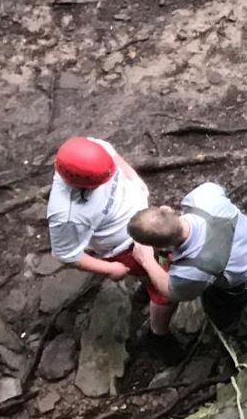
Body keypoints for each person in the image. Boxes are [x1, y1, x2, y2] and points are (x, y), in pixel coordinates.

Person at [127, 182, 247, 355]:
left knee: (224, 317)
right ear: (167, 209)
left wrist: (147, 260)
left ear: (162, 247)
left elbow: (171, 291)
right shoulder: (203, 197)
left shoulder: (191, 270)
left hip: (245, 283)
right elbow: (219, 190)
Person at [46, 136, 173, 333]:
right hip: (127, 248)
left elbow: (115, 158)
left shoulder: (93, 149)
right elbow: (66, 254)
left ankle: (145, 287)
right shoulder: (67, 215)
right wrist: (110, 268)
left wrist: (134, 179)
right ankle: (159, 332)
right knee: (165, 292)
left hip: (146, 222)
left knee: (156, 270)